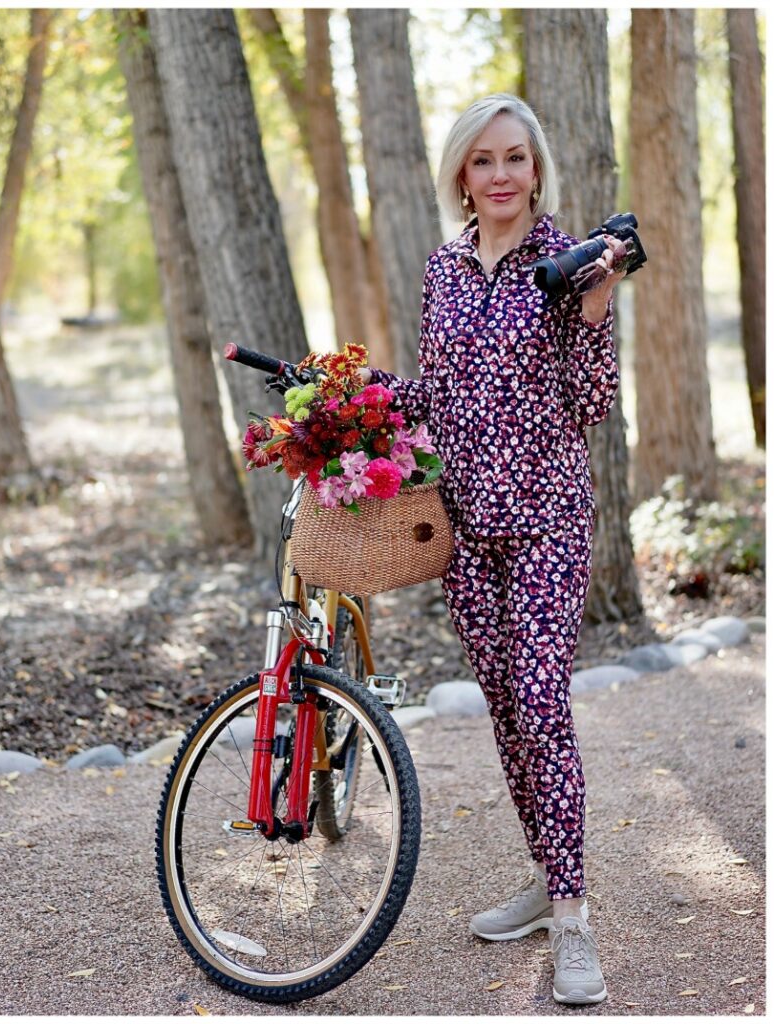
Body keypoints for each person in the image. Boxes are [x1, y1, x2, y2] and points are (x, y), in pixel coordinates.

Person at [358, 93, 626, 1006]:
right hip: (470, 529)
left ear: (537, 167)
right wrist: (352, 400)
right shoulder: (444, 269)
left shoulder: (572, 264)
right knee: (509, 711)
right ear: (463, 176)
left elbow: (591, 407)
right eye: (484, 161)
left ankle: (576, 917)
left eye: (516, 158)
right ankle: (545, 882)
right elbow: (438, 391)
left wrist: (593, 312)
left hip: (548, 519)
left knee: (545, 699)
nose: (502, 175)